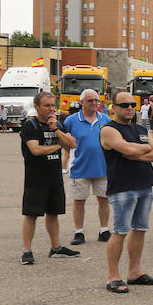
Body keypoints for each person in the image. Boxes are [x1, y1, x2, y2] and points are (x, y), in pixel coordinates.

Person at [98, 90, 153, 293]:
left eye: (133, 105)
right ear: (114, 108)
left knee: (140, 229)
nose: (129, 108)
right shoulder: (109, 130)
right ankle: (113, 277)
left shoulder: (139, 129)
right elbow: (128, 150)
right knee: (120, 231)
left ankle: (134, 272)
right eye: (124, 105)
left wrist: (136, 153)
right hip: (122, 187)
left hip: (144, 184)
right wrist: (139, 149)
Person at [18, 91, 80, 265]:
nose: (51, 109)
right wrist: (57, 145)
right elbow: (36, 150)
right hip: (36, 177)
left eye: (53, 105)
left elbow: (72, 144)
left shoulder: (58, 124)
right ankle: (27, 250)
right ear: (37, 107)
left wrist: (56, 130)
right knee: (31, 214)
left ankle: (56, 247)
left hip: (55, 176)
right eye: (47, 106)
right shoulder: (30, 125)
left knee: (53, 213)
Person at [61, 89, 111, 246]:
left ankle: (104, 230)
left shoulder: (105, 119)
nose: (95, 103)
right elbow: (63, 139)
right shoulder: (71, 120)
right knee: (79, 201)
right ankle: (79, 232)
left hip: (103, 168)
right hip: (80, 168)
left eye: (97, 100)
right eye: (90, 100)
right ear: (81, 102)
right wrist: (69, 153)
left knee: (104, 200)